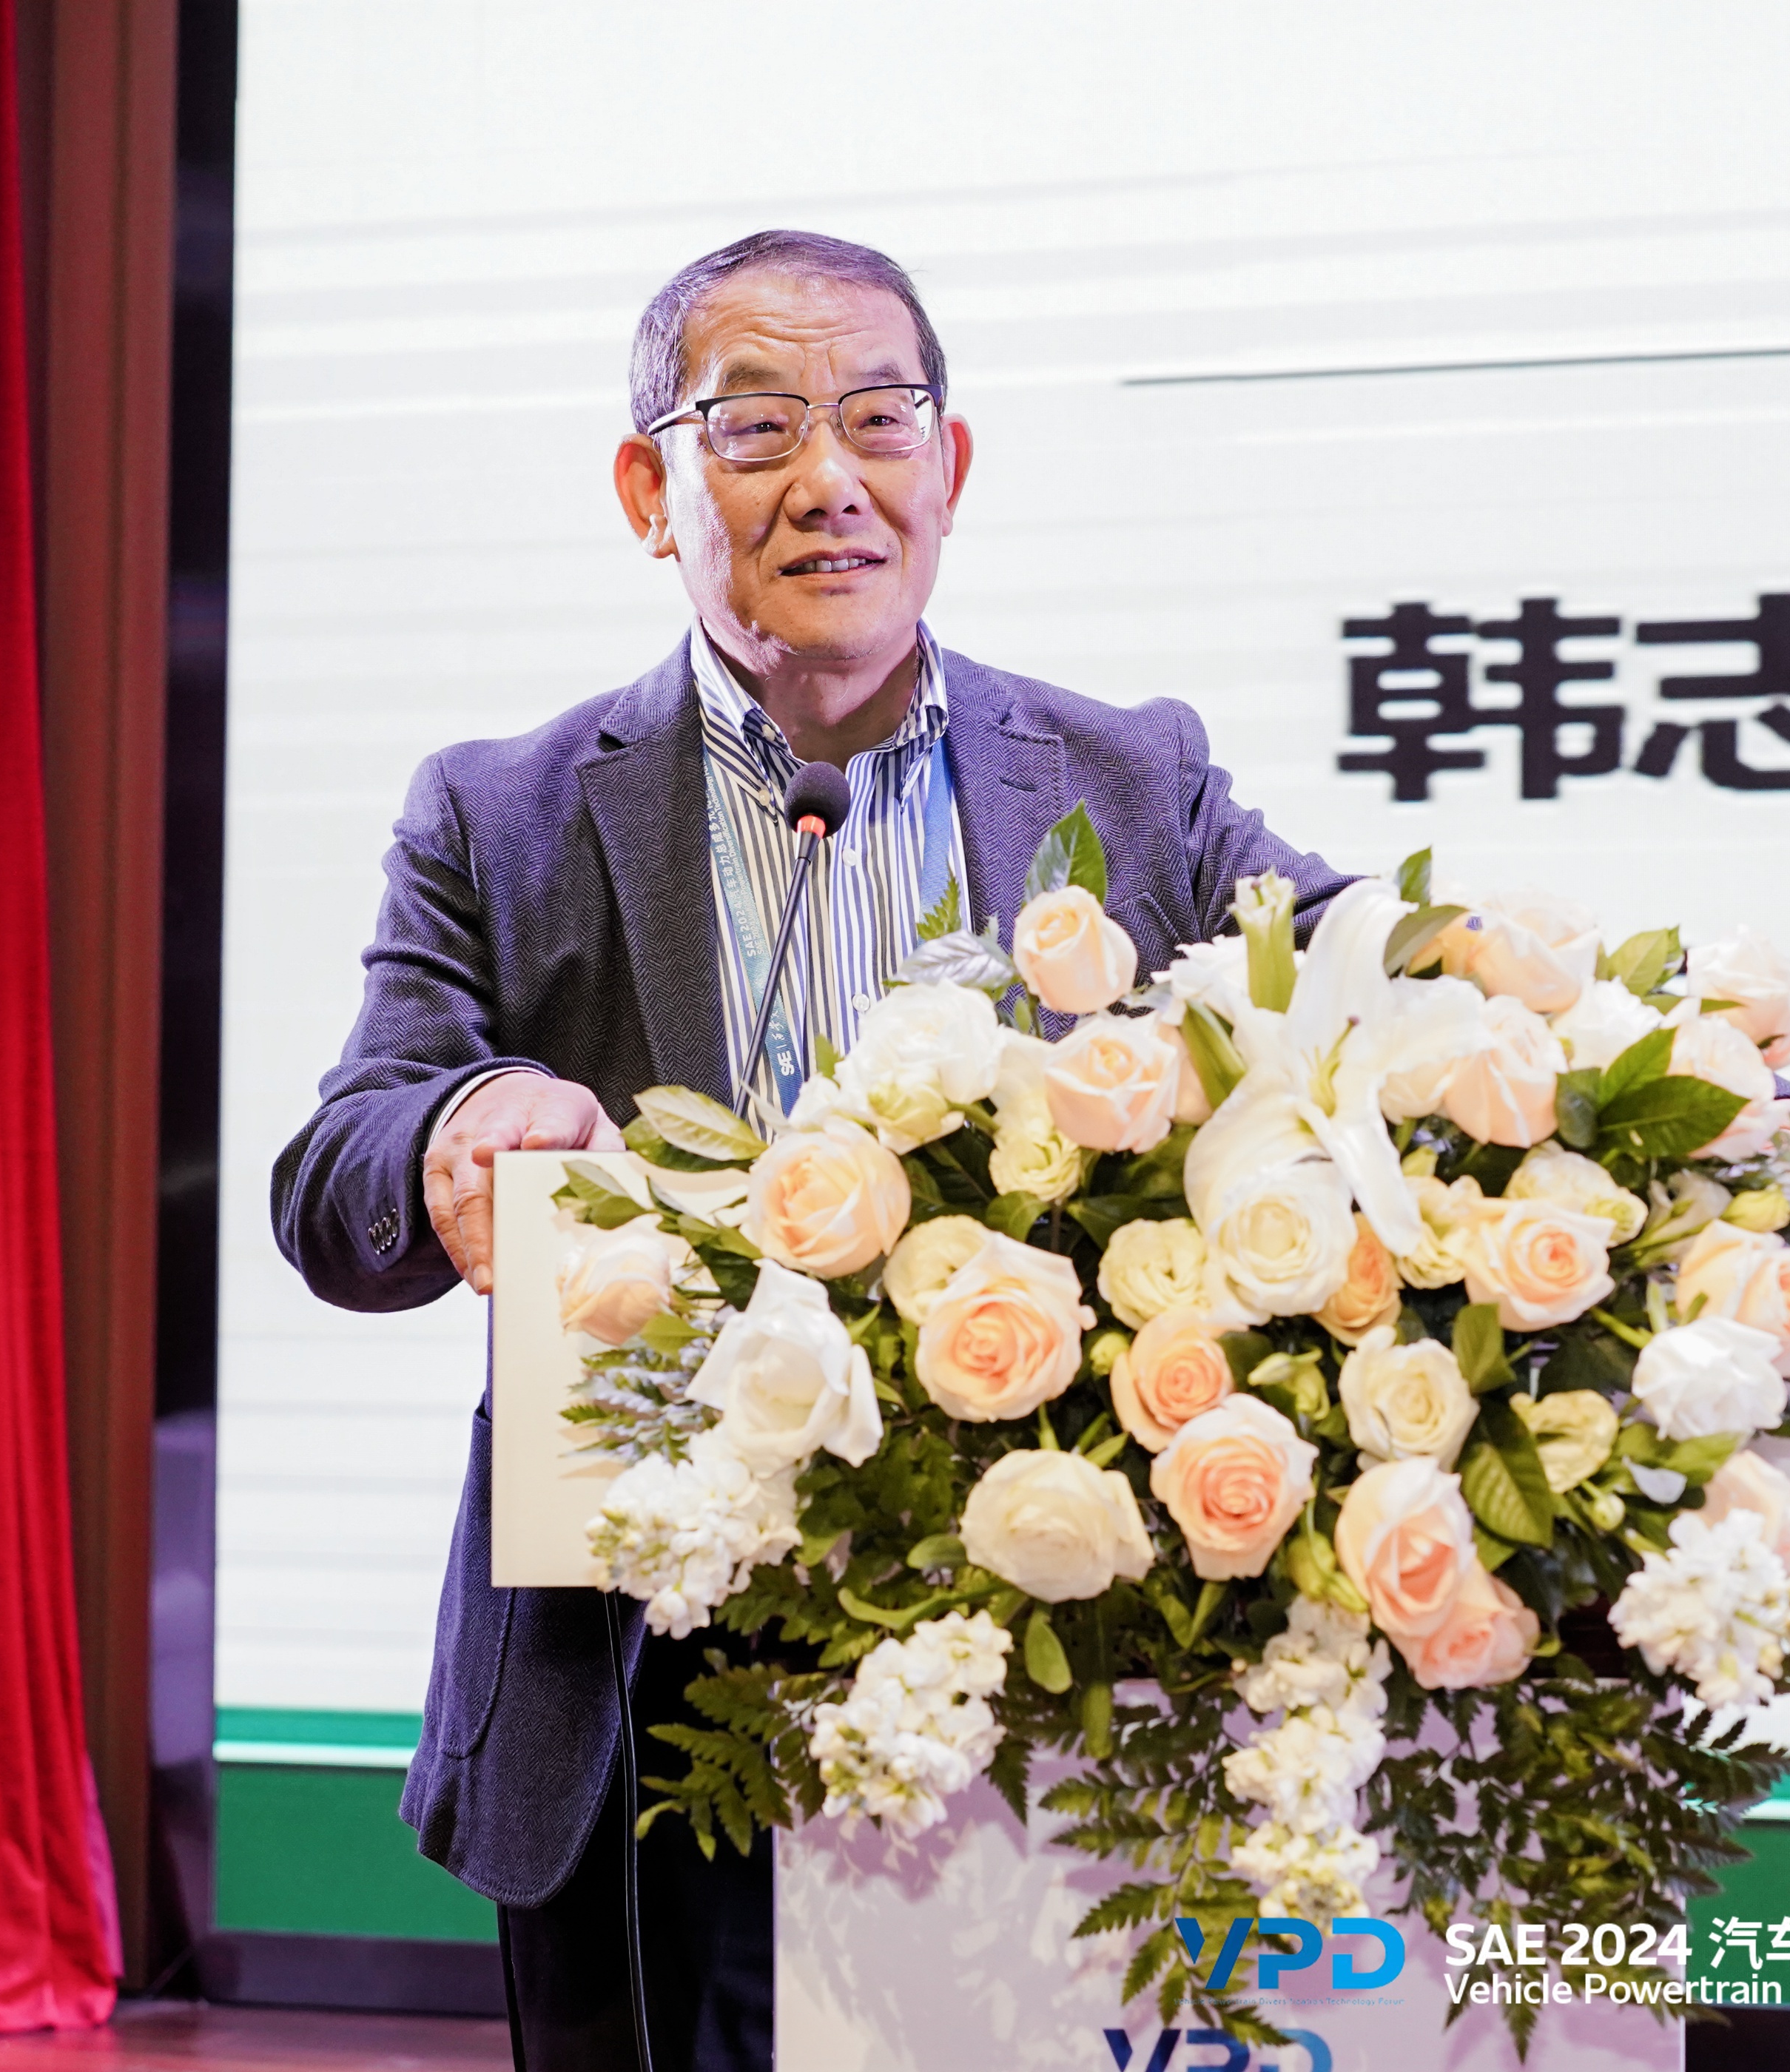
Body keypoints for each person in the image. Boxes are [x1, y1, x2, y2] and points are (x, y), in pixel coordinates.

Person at [272, 229, 1347, 2072]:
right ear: (650, 490)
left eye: (880, 418)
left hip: (1051, 1653)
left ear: (952, 465)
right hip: (645, 1675)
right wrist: (452, 1127)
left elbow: (1351, 970)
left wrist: (1575, 1022)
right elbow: (334, 1179)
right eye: (758, 425)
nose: (831, 478)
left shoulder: (1128, 777)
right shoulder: (503, 811)